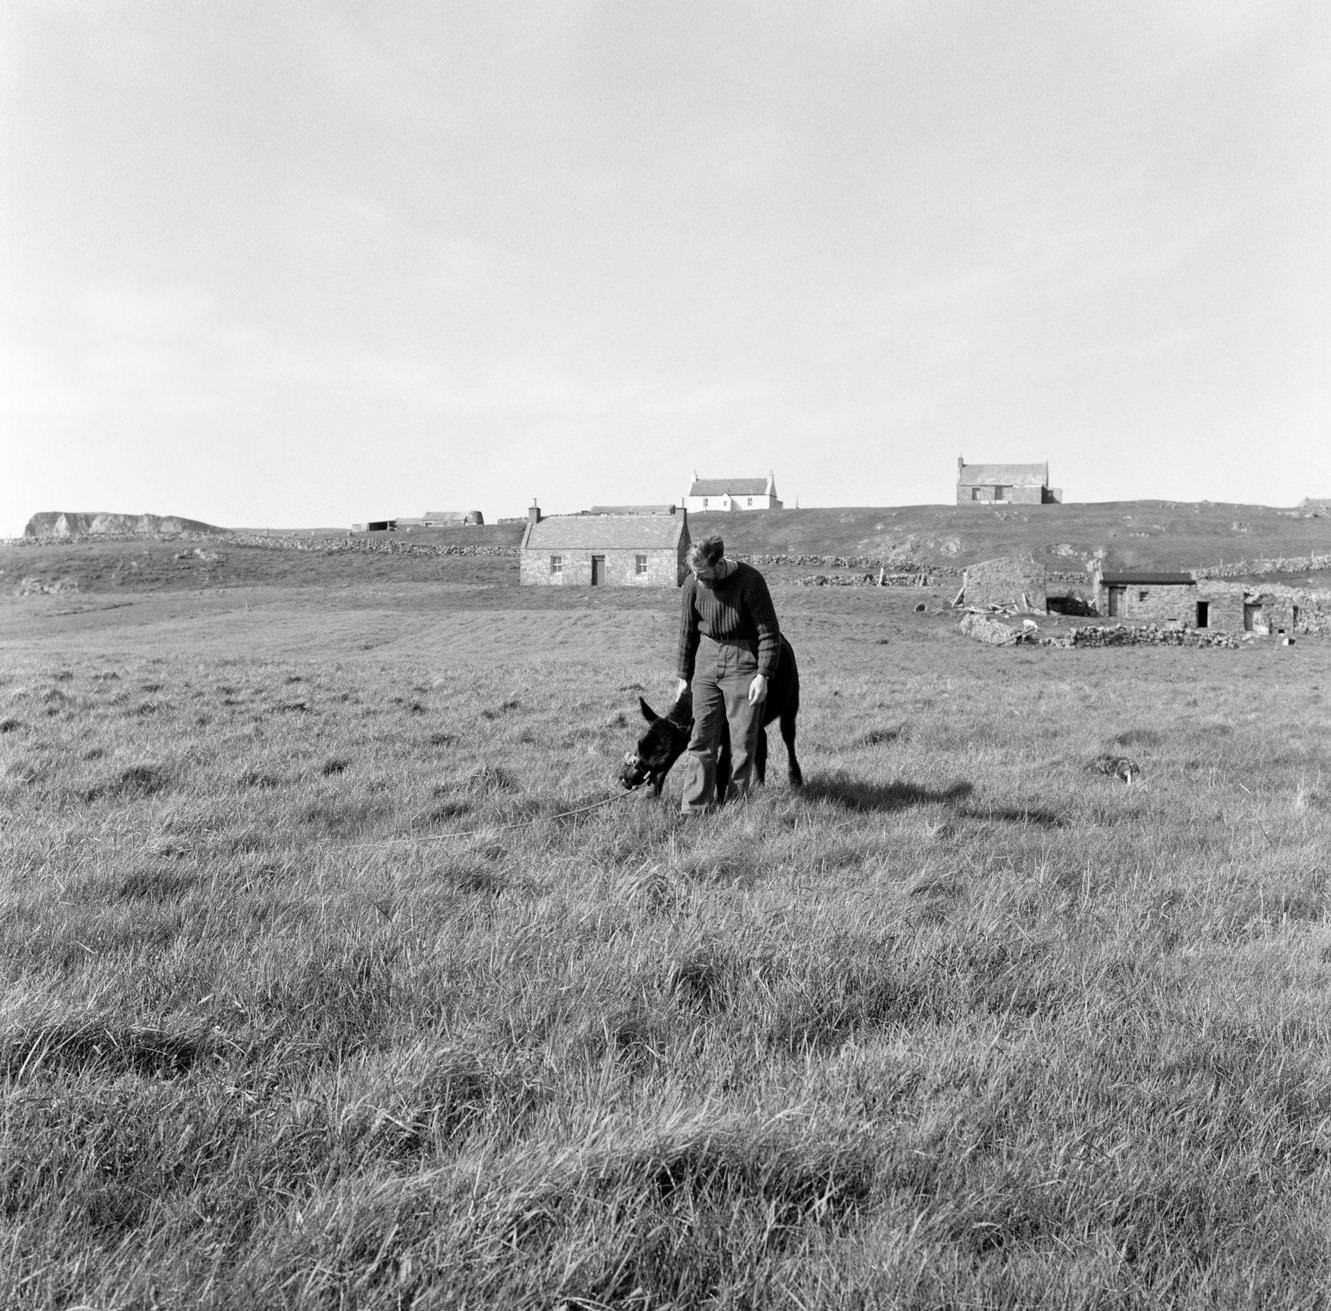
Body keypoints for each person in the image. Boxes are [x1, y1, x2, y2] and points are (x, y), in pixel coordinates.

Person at [674, 534, 781, 813]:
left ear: (719, 563)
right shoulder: (692, 584)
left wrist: (763, 674)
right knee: (701, 737)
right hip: (706, 659)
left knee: (742, 741)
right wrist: (684, 676)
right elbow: (687, 631)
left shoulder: (750, 581)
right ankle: (694, 808)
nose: (699, 579)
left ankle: (735, 808)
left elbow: (768, 631)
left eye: (704, 573)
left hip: (743, 659)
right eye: (695, 573)